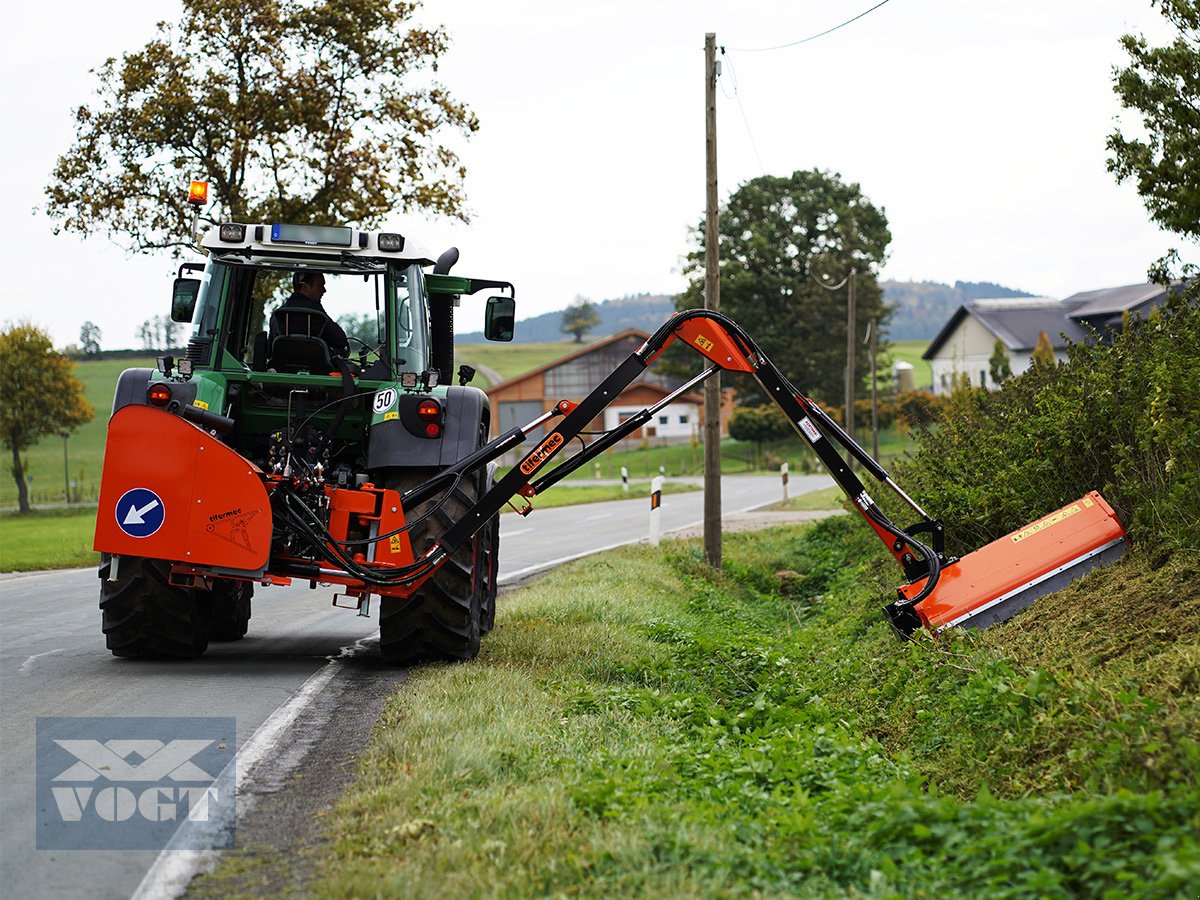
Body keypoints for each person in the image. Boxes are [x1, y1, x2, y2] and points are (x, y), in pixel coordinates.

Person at [267, 271, 350, 359]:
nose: (324, 290)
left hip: (280, 370)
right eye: (320, 286)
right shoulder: (318, 315)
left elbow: (269, 351)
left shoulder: (278, 315)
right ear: (305, 287)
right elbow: (341, 342)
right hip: (317, 370)